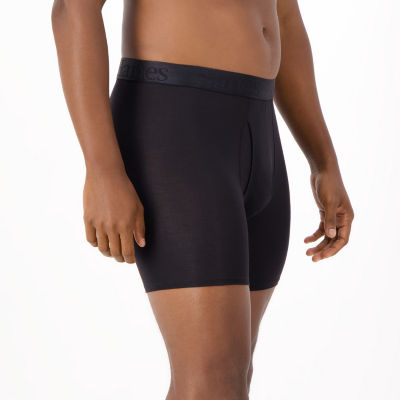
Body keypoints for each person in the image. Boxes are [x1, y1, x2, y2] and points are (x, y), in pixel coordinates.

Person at [51, 0, 354, 398]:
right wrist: (102, 169)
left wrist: (323, 162)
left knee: (230, 377)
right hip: (174, 123)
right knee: (214, 379)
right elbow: (72, 9)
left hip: (259, 125)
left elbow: (285, 15)